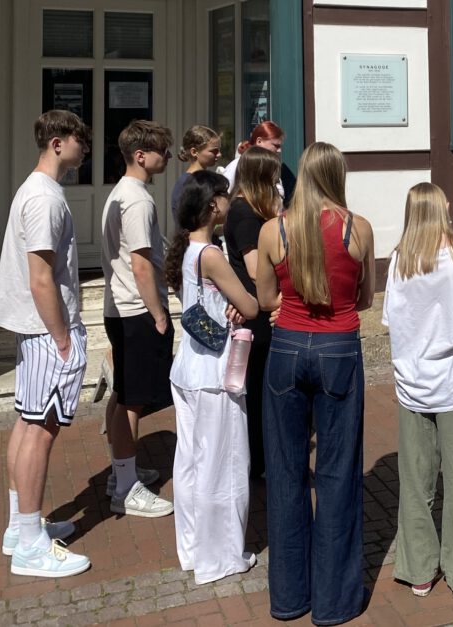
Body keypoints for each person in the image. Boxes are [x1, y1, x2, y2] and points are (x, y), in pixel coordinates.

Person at [255, 141, 375, 624]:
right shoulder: (357, 228)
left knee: (285, 471)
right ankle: (333, 602)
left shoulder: (273, 229)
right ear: (337, 176)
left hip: (286, 348)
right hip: (338, 348)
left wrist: (290, 305)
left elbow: (267, 298)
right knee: (337, 473)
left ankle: (289, 597)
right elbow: (365, 299)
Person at [384, 183, 453, 601]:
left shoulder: (400, 259)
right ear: (443, 209)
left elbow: (391, 321)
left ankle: (418, 569)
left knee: (416, 482)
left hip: (413, 382)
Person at [0, 110, 92, 577]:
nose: (85, 148)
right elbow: (41, 278)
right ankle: (30, 543)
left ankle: (21, 527)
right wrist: (63, 338)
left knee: (28, 423)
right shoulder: (45, 197)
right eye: (79, 139)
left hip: (36, 329)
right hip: (47, 330)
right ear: (57, 143)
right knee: (40, 429)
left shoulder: (36, 191)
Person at [164, 171, 260, 585]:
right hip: (215, 371)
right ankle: (221, 556)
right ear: (211, 205)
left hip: (188, 367)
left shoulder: (187, 249)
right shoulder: (211, 255)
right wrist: (241, 304)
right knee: (224, 462)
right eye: (223, 195)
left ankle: (193, 548)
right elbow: (252, 306)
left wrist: (230, 305)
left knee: (190, 460)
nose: (228, 201)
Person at [100, 119, 175, 518]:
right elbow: (141, 263)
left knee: (124, 394)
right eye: (162, 150)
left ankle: (122, 472)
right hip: (136, 310)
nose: (168, 156)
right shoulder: (138, 200)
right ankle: (126, 488)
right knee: (133, 400)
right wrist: (158, 313)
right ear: (140, 155)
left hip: (122, 308)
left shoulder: (121, 193)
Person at [224, 146, 282, 479]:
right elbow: (256, 269)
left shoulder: (249, 209)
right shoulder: (245, 213)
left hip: (257, 310)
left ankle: (259, 458)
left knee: (260, 387)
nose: (277, 183)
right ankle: (258, 462)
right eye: (272, 176)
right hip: (256, 315)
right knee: (258, 388)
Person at [222, 121, 297, 204]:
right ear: (259, 141)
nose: (279, 150)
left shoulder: (276, 167)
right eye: (276, 145)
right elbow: (225, 196)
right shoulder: (237, 165)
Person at [170, 125, 222, 223]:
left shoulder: (205, 180)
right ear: (194, 152)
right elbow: (187, 221)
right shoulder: (187, 183)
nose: (219, 155)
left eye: (219, 150)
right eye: (214, 151)